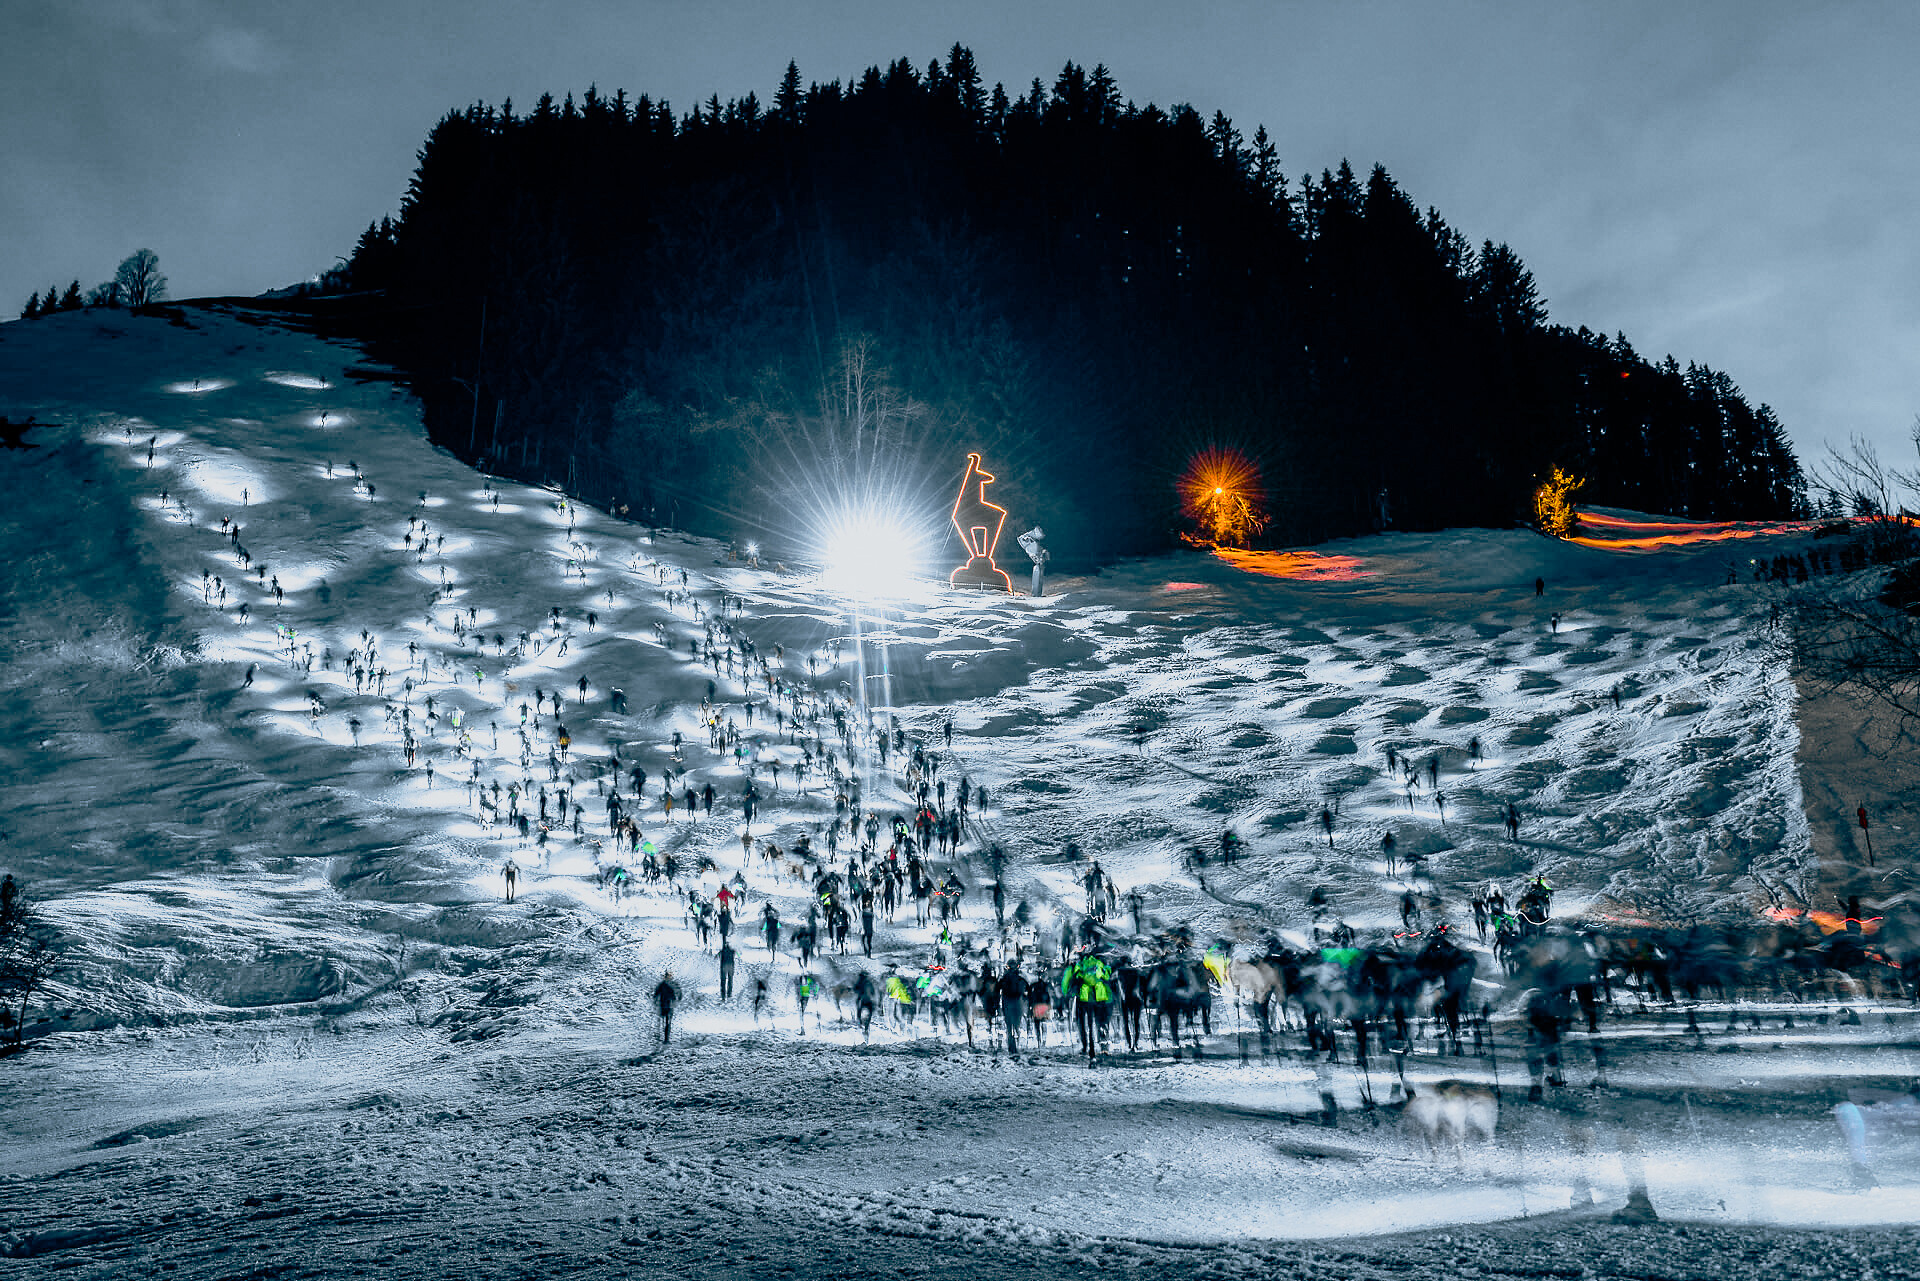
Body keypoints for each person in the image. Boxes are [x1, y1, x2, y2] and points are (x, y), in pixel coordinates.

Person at [654, 971, 680, 1044]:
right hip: (665, 1005)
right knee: (665, 1021)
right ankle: (664, 1038)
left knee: (667, 1022)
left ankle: (666, 1039)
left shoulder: (663, 984)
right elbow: (656, 994)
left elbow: (679, 995)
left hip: (668, 1005)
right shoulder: (672, 984)